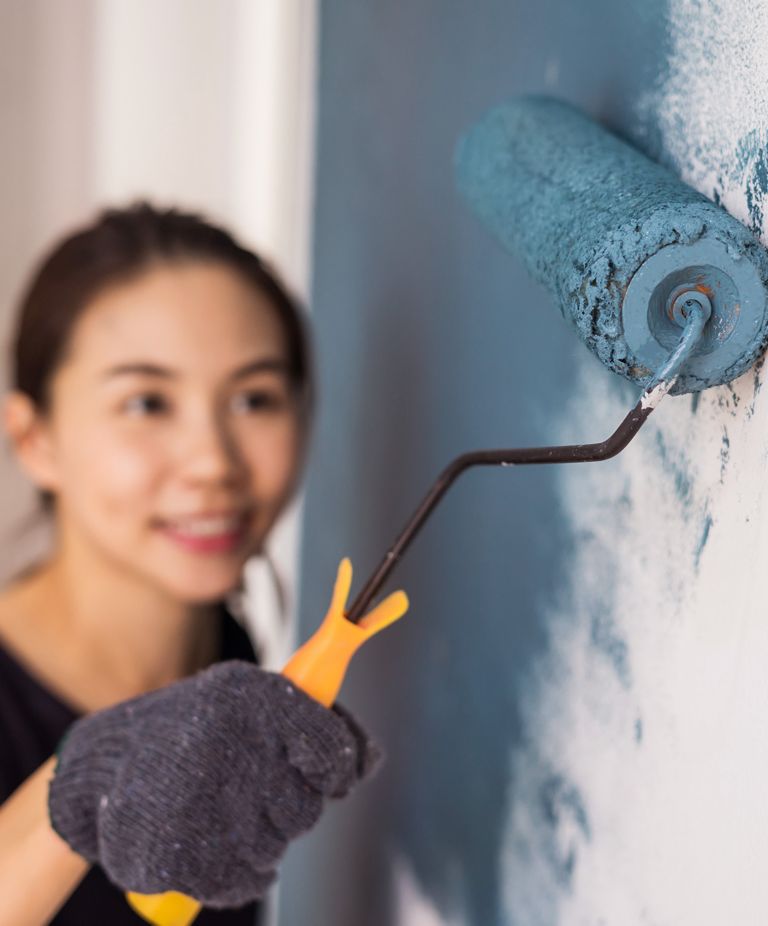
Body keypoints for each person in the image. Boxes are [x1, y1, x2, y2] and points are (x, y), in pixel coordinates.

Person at [0, 203, 382, 925]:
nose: (214, 463)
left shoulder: (226, 659)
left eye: (253, 398)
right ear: (35, 438)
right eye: (147, 402)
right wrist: (79, 790)